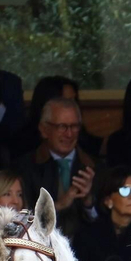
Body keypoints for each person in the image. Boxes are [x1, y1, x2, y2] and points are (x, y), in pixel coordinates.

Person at [22, 96, 97, 237]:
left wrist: (88, 202)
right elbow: (19, 219)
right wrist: (58, 205)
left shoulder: (94, 167)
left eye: (74, 126)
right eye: (62, 127)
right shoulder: (24, 168)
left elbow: (105, 225)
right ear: (44, 129)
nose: (69, 134)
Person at [16, 75, 103, 158]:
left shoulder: (81, 136)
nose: (72, 106)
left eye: (74, 101)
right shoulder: (24, 144)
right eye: (66, 102)